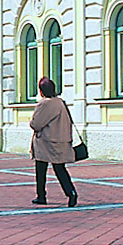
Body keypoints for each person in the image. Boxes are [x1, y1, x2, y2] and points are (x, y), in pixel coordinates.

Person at [29, 76, 78, 207]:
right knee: (60, 169)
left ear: (41, 91)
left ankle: (41, 196)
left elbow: (36, 124)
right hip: (61, 141)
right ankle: (71, 193)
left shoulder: (44, 104)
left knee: (41, 170)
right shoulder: (61, 102)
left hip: (45, 142)